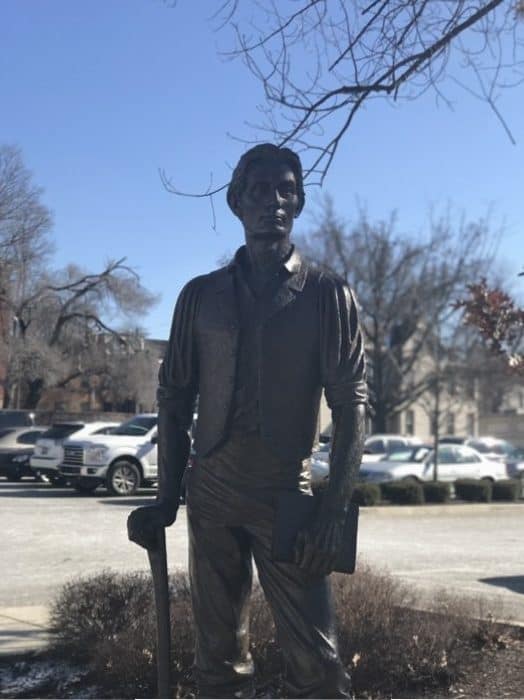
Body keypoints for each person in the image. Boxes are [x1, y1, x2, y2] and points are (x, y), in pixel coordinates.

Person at [128, 144, 367, 698]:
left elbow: (353, 406)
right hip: (211, 492)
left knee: (321, 668)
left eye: (286, 191)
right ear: (237, 202)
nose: (274, 202)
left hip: (286, 494)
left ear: (299, 203)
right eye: (260, 190)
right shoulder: (200, 297)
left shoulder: (328, 295)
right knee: (218, 666)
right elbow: (174, 401)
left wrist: (332, 512)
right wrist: (165, 500)